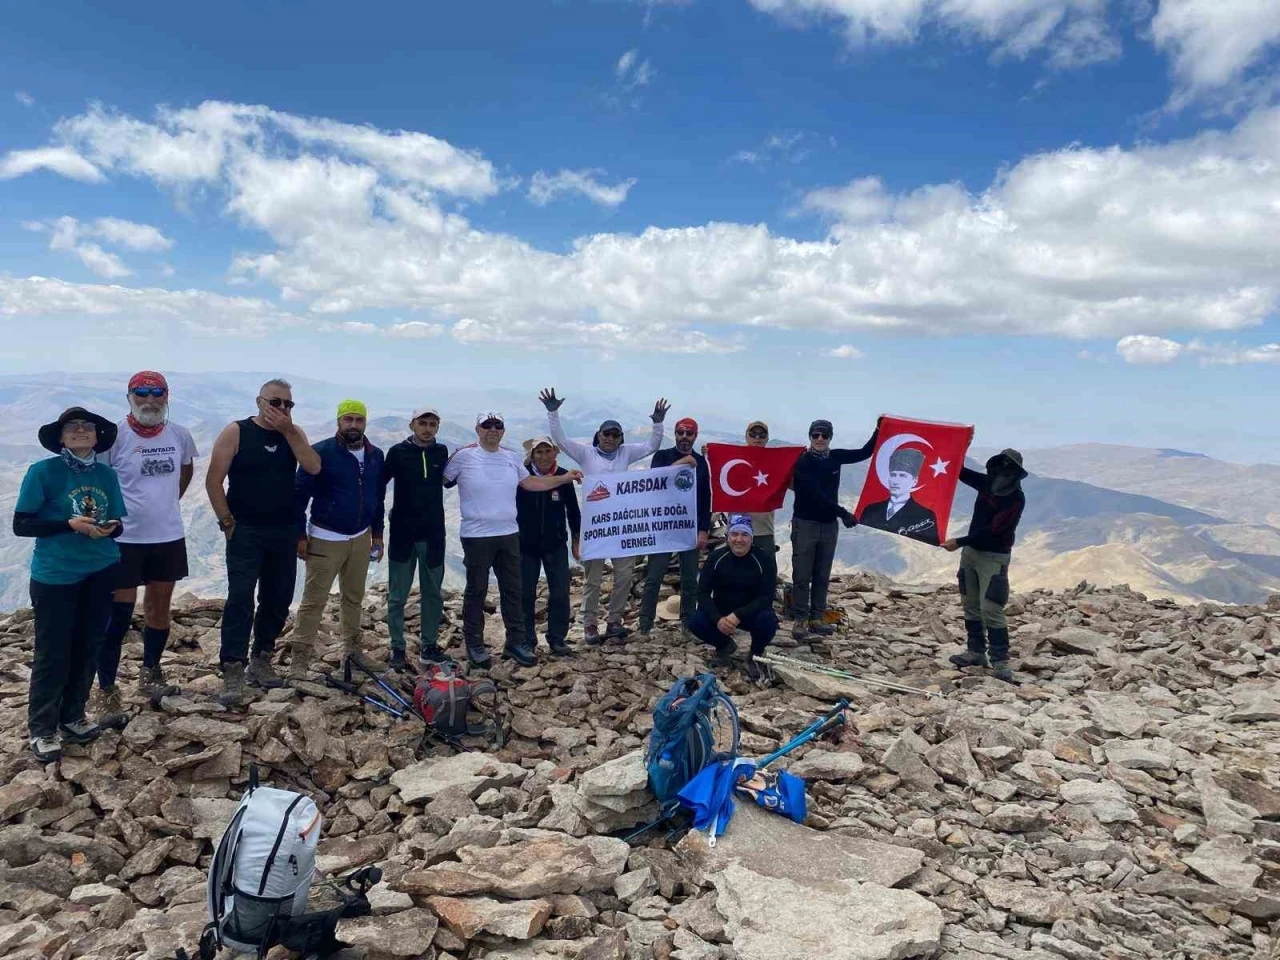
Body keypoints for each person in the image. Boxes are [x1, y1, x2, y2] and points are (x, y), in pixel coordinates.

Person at [13, 407, 126, 762]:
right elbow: (22, 524)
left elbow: (118, 522)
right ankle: (43, 728)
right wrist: (69, 525)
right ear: (60, 437)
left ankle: (73, 716)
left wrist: (109, 529)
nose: (80, 430)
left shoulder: (106, 474)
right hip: (56, 574)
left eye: (87, 426)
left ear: (97, 436)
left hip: (101, 568)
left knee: (89, 644)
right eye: (72, 427)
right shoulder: (43, 472)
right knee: (53, 651)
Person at [206, 379, 321, 707]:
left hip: (283, 530)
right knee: (241, 597)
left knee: (278, 596)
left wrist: (289, 431)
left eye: (288, 404)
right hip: (246, 530)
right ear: (259, 402)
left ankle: (262, 657)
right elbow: (214, 480)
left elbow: (313, 466)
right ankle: (232, 666)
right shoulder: (237, 432)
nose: (281, 408)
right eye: (275, 402)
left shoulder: (293, 433)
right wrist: (227, 522)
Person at [444, 413, 583, 669]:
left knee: (513, 591)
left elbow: (530, 483)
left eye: (498, 425)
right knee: (476, 591)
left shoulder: (510, 457)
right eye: (487, 425)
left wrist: (564, 478)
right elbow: (442, 480)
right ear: (477, 429)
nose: (492, 429)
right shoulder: (464, 456)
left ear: (503, 431)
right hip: (476, 535)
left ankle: (516, 642)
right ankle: (474, 644)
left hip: (509, 534)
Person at [96, 371, 198, 712]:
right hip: (124, 538)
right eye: (142, 393)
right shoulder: (114, 437)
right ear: (129, 397)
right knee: (118, 613)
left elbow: (185, 471)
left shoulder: (180, 435)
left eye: (157, 393)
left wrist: (166, 504)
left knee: (159, 606)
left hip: (167, 535)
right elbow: (101, 482)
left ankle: (151, 673)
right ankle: (106, 688)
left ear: (167, 397)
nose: (150, 399)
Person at [540, 388, 668, 643]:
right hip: (595, 527)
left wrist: (657, 423)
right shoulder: (586, 453)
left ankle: (614, 621)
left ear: (621, 438)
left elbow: (652, 446)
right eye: (606, 434)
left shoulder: (626, 453)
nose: (610, 438)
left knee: (624, 575)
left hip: (621, 526)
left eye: (615, 435)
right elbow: (561, 440)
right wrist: (553, 413)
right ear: (598, 435)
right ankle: (589, 624)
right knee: (593, 578)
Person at [290, 400, 385, 680]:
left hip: (361, 537)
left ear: (365, 422)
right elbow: (299, 496)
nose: (353, 425)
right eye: (348, 419)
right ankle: (299, 659)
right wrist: (299, 535)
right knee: (313, 601)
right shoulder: (321, 452)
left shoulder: (375, 455)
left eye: (359, 419)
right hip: (325, 537)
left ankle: (352, 653)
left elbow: (377, 497)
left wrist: (377, 534)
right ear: (338, 422)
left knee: (353, 597)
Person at [942, 449, 1028, 683]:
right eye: (1001, 466)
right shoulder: (987, 483)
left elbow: (994, 531)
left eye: (1008, 469)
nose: (1003, 472)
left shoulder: (1015, 499)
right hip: (971, 553)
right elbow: (959, 472)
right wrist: (962, 445)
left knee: (991, 607)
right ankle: (976, 652)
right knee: (970, 603)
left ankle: (1000, 661)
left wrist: (959, 542)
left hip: (993, 557)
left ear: (1015, 474)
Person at [789, 418, 878, 641]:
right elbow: (814, 494)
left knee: (822, 573)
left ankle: (817, 618)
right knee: (802, 574)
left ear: (830, 437)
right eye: (815, 435)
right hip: (806, 524)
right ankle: (800, 618)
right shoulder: (803, 461)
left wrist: (879, 429)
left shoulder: (836, 457)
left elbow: (864, 453)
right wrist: (843, 513)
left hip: (829, 526)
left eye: (824, 435)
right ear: (810, 436)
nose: (819, 439)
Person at [379, 406, 451, 671]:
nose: (427, 428)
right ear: (412, 425)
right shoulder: (397, 452)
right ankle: (397, 647)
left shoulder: (441, 452)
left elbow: (451, 479)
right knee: (398, 595)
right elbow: (379, 484)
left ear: (437, 427)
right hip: (402, 533)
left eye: (432, 424)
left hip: (433, 534)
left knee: (432, 593)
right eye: (423, 423)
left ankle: (429, 646)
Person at [637, 416, 710, 640]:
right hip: (663, 527)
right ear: (676, 434)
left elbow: (705, 497)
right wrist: (682, 463)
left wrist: (703, 529)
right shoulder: (662, 456)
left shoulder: (701, 462)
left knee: (689, 579)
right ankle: (644, 624)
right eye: (680, 432)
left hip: (688, 528)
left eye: (689, 433)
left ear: (695, 436)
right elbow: (655, 482)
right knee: (654, 577)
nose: (684, 437)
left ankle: (688, 624)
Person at [687, 515, 777, 681]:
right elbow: (703, 593)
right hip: (723, 611)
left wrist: (738, 615)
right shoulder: (716, 557)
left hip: (750, 612)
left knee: (769, 620)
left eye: (744, 535)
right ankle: (724, 645)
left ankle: (756, 653)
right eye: (734, 534)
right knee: (695, 621)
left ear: (751, 538)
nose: (739, 540)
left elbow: (766, 597)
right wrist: (718, 619)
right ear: (728, 537)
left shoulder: (764, 559)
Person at [516, 435, 581, 658]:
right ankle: (526, 640)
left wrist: (576, 541)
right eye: (539, 452)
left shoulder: (564, 476)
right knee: (525, 593)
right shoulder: (522, 476)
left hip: (556, 544)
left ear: (555, 452)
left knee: (560, 592)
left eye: (547, 451)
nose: (544, 456)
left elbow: (573, 511)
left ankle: (557, 638)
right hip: (525, 545)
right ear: (532, 455)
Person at [858, 446, 941, 545]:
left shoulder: (925, 515)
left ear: (914, 481)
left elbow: (929, 545)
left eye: (902, 475)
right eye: (893, 475)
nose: (896, 481)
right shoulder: (870, 510)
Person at [740, 420, 779, 555]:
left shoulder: (775, 462)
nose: (757, 438)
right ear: (746, 436)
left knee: (766, 567)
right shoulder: (733, 459)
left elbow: (795, 485)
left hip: (764, 531)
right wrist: (708, 455)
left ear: (767, 438)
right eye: (753, 434)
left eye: (762, 435)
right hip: (738, 529)